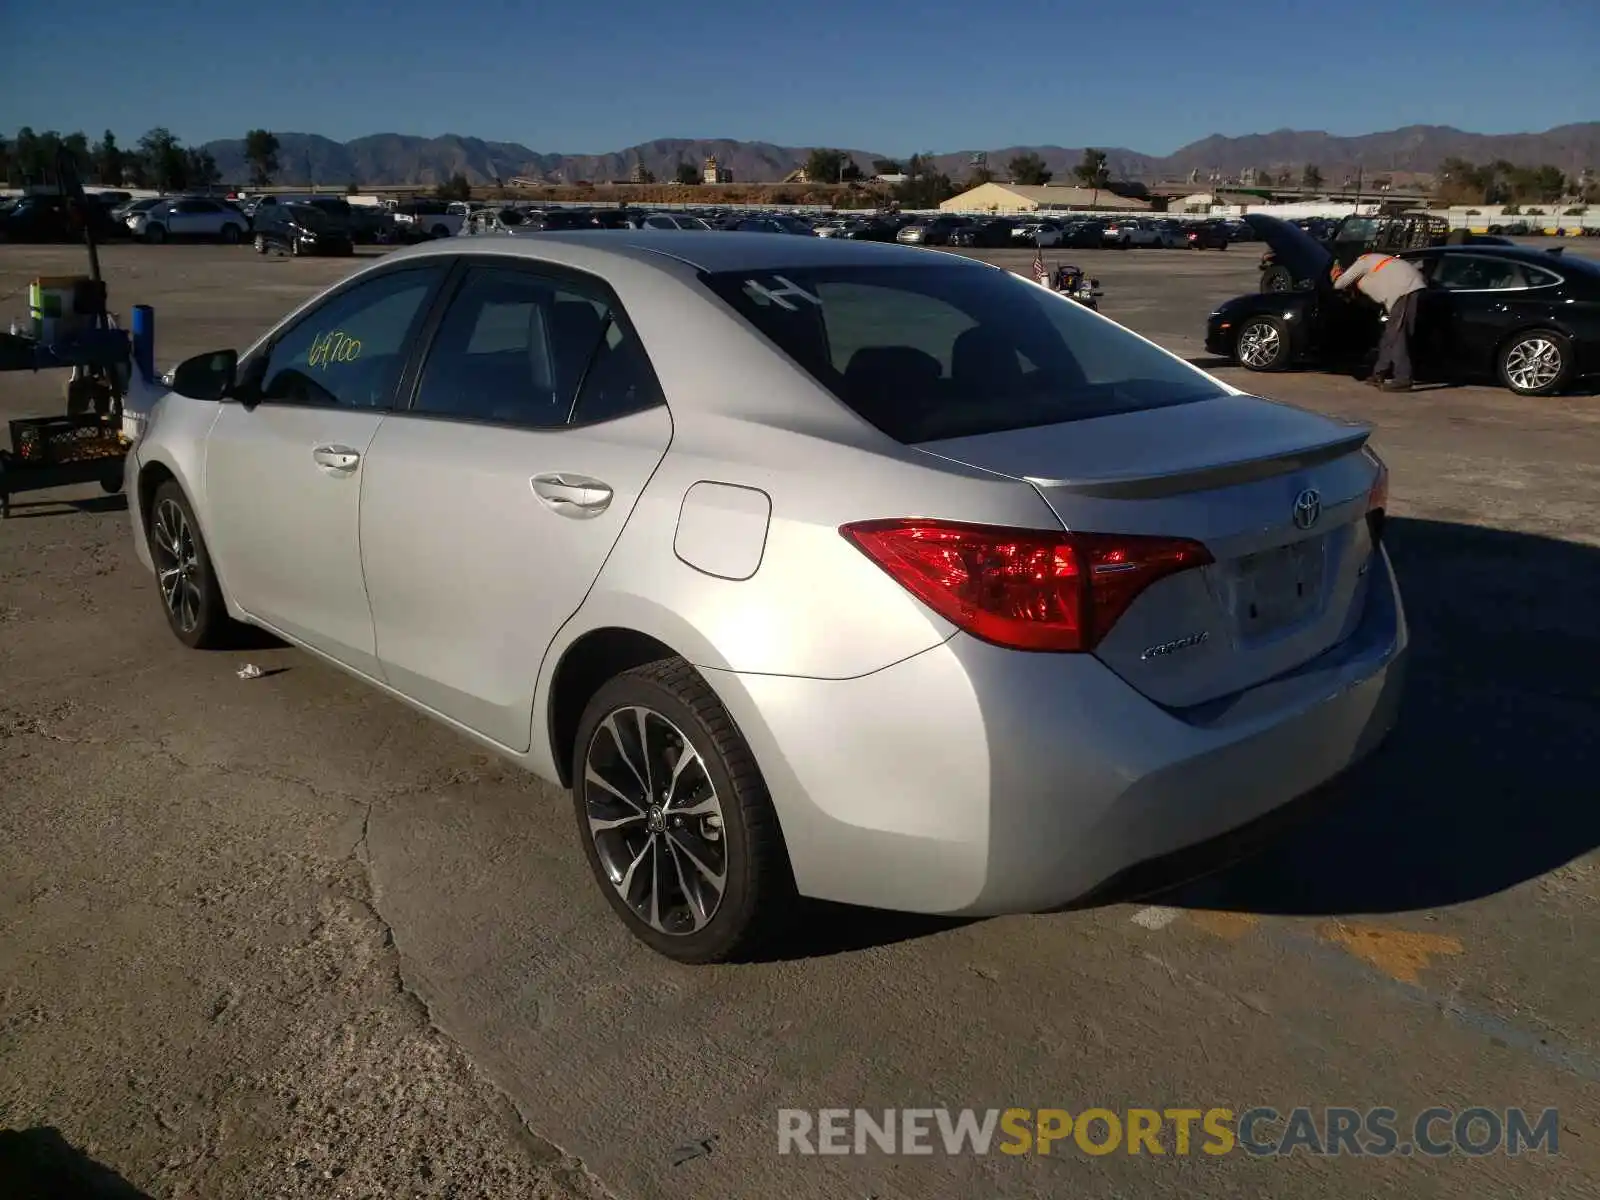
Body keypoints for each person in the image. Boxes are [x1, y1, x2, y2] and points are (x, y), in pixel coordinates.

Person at [1330, 252, 1427, 391]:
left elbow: (1339, 284)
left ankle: (1403, 379)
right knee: (1389, 336)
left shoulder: (1362, 262)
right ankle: (1379, 373)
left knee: (1398, 336)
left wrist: (1337, 276)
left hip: (1405, 289)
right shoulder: (1373, 266)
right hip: (1408, 287)